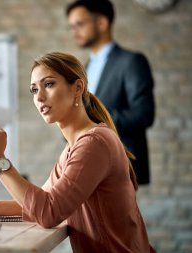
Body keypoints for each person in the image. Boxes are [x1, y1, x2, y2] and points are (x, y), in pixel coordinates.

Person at [0, 52, 156, 252]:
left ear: (78, 88)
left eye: (49, 84)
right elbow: (43, 199)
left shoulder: (94, 143)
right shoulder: (75, 146)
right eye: (34, 89)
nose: (39, 97)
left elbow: (48, 213)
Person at [65, 0, 155, 185]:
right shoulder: (84, 67)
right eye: (71, 26)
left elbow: (144, 114)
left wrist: (92, 121)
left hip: (120, 166)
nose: (74, 31)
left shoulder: (131, 61)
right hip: (86, 165)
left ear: (102, 23)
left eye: (79, 24)